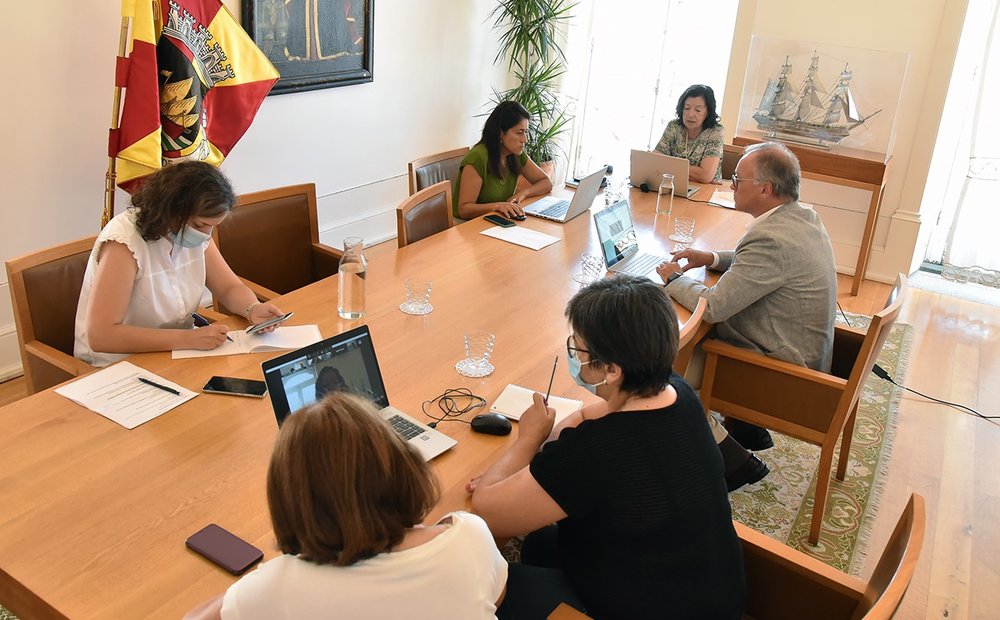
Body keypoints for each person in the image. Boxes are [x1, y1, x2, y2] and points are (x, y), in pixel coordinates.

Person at [469, 275, 746, 620]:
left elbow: (487, 511)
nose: (574, 354)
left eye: (578, 349)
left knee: (488, 587)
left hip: (648, 605)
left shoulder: (596, 452)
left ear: (612, 370)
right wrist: (545, 451)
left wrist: (529, 438)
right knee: (541, 542)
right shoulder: (675, 391)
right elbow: (588, 415)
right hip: (709, 592)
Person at [185, 392, 508, 620]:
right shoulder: (468, 533)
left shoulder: (279, 587)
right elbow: (494, 596)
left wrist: (257, 585)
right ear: (406, 466)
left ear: (291, 501)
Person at [656, 141, 838, 490]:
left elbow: (716, 305)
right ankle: (746, 426)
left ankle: (732, 460)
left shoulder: (772, 238)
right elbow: (754, 260)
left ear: (766, 189)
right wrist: (710, 258)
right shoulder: (801, 217)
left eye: (738, 179)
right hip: (807, 351)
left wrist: (672, 280)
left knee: (663, 372)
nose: (731, 184)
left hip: (784, 373)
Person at [74, 162, 285, 367]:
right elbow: (102, 335)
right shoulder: (123, 243)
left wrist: (252, 308)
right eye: (200, 224)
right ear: (170, 210)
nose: (205, 235)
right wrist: (187, 339)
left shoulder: (191, 233)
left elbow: (229, 288)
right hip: (119, 364)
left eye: (212, 227)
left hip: (174, 352)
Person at [454, 101, 553, 220]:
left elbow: (546, 183)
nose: (525, 139)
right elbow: (464, 209)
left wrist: (524, 193)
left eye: (526, 132)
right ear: (500, 132)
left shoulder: (515, 154)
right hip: (466, 226)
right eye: (519, 132)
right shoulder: (478, 157)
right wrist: (497, 206)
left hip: (496, 220)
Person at [654, 84, 725, 184]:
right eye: (687, 108)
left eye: (698, 110)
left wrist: (668, 166)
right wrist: (692, 172)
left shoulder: (715, 131)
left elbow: (705, 175)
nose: (691, 114)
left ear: (708, 112)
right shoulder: (674, 126)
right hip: (675, 185)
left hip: (705, 191)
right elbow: (654, 160)